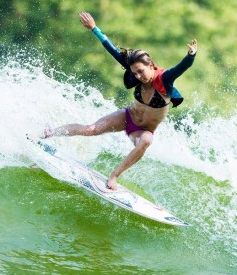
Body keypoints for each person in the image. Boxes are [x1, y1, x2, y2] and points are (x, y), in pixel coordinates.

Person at [39, 11, 197, 190]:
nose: (138, 76)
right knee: (91, 129)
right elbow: (113, 50)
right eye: (135, 73)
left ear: (151, 65)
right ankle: (48, 133)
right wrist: (94, 29)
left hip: (143, 131)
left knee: (146, 141)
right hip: (127, 117)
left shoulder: (165, 80)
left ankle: (114, 176)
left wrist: (191, 55)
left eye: (141, 71)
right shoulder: (136, 74)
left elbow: (181, 67)